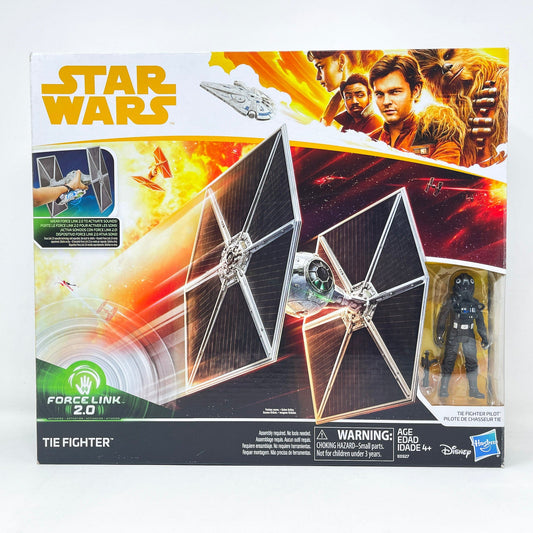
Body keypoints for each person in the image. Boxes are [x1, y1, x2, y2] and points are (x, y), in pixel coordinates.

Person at [368, 54, 464, 165]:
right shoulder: (367, 141)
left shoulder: (439, 134)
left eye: (395, 92)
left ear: (416, 91)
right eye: (379, 94)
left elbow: (443, 173)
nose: (386, 102)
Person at [435, 273, 489, 399]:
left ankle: (473, 390)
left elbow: (480, 323)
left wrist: (484, 337)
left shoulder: (474, 303)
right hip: (454, 332)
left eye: (467, 286)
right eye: (462, 285)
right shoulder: (451, 301)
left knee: (472, 362)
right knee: (449, 361)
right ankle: (443, 388)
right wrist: (439, 334)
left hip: (468, 333)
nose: (465, 288)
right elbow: (442, 318)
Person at [307, 50, 382, 126]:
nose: (318, 77)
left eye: (320, 67)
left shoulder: (370, 100)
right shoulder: (337, 99)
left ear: (341, 61)